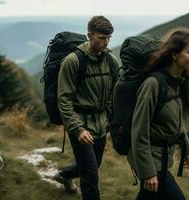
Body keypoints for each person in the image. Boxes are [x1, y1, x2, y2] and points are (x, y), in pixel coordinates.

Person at [127, 27, 189, 200]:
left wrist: (186, 148)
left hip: (162, 158)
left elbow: (177, 121)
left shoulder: (179, 82)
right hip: (150, 159)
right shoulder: (153, 84)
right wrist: (148, 172)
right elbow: (139, 131)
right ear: (175, 54)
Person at [54, 16, 119, 200]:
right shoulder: (73, 61)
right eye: (101, 38)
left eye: (109, 38)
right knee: (90, 176)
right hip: (80, 126)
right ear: (89, 35)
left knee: (94, 164)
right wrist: (77, 129)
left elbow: (114, 94)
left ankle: (64, 175)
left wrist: (113, 121)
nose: (106, 42)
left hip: (101, 124)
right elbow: (64, 100)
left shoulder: (111, 61)